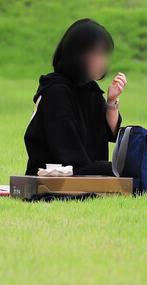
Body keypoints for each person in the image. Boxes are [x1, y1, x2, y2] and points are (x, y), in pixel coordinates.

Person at [23, 19, 127, 176]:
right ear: (76, 54)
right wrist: (102, 169)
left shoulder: (90, 90)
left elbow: (111, 133)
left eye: (104, 53)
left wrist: (111, 102)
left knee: (127, 168)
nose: (103, 61)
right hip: (53, 174)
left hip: (82, 169)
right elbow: (68, 156)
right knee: (122, 170)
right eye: (96, 53)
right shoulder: (56, 92)